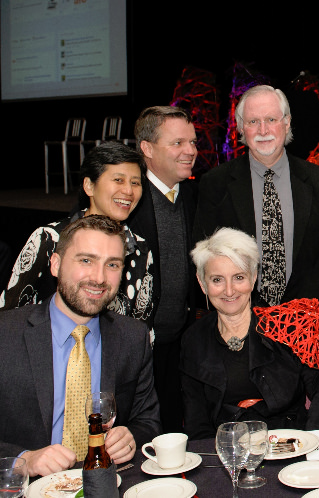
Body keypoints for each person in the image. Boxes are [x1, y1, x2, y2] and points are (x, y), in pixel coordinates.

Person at [0, 215, 161, 477]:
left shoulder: (133, 337)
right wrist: (24, 460)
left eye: (112, 264)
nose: (99, 278)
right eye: (86, 260)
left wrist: (131, 437)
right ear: (55, 264)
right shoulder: (5, 335)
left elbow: (148, 421)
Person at [179, 228, 319, 439]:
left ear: (254, 277)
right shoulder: (193, 339)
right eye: (217, 280)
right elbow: (197, 419)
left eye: (239, 277)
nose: (229, 291)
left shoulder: (290, 326)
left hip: (290, 442)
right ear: (202, 283)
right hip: (229, 449)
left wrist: (310, 441)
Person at [193, 85, 319, 318]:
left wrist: (299, 308)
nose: (263, 130)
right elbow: (206, 251)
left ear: (287, 122)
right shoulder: (215, 183)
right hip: (238, 317)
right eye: (253, 122)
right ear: (241, 127)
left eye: (271, 119)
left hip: (305, 318)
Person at [0, 142, 155, 323]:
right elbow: (9, 313)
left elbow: (142, 325)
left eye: (135, 182)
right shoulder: (49, 238)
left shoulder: (140, 248)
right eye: (118, 180)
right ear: (89, 186)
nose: (128, 191)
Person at [130, 105, 199, 433]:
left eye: (193, 142)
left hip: (182, 337)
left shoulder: (195, 195)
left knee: (176, 425)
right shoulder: (125, 199)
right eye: (178, 143)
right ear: (147, 148)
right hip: (138, 345)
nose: (190, 151)